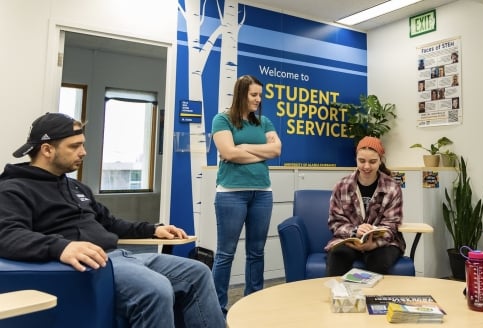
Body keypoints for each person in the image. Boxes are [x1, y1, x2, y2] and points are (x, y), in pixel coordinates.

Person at [0, 112, 225, 328]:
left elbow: (110, 223)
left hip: (118, 257)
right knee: (156, 288)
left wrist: (153, 230)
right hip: (89, 268)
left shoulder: (75, 187)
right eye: (74, 146)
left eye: (82, 144)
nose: (84, 152)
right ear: (47, 150)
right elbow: (7, 234)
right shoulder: (14, 189)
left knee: (198, 272)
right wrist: (61, 247)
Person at [211, 75, 282, 315]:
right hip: (231, 193)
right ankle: (217, 307)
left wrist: (244, 148)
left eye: (260, 95)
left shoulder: (264, 122)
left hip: (262, 193)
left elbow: (277, 149)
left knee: (256, 251)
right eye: (254, 95)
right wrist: (261, 154)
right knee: (225, 253)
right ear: (241, 94)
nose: (258, 99)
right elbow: (229, 153)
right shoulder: (222, 120)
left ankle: (254, 302)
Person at [324, 136, 406, 275]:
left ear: (380, 160)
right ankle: (338, 296)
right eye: (362, 161)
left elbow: (392, 225)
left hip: (382, 243)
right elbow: (335, 222)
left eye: (372, 162)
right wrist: (355, 231)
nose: (366, 166)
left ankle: (373, 297)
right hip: (350, 239)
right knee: (337, 256)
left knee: (379, 261)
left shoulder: (392, 187)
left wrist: (373, 244)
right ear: (356, 159)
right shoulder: (342, 186)